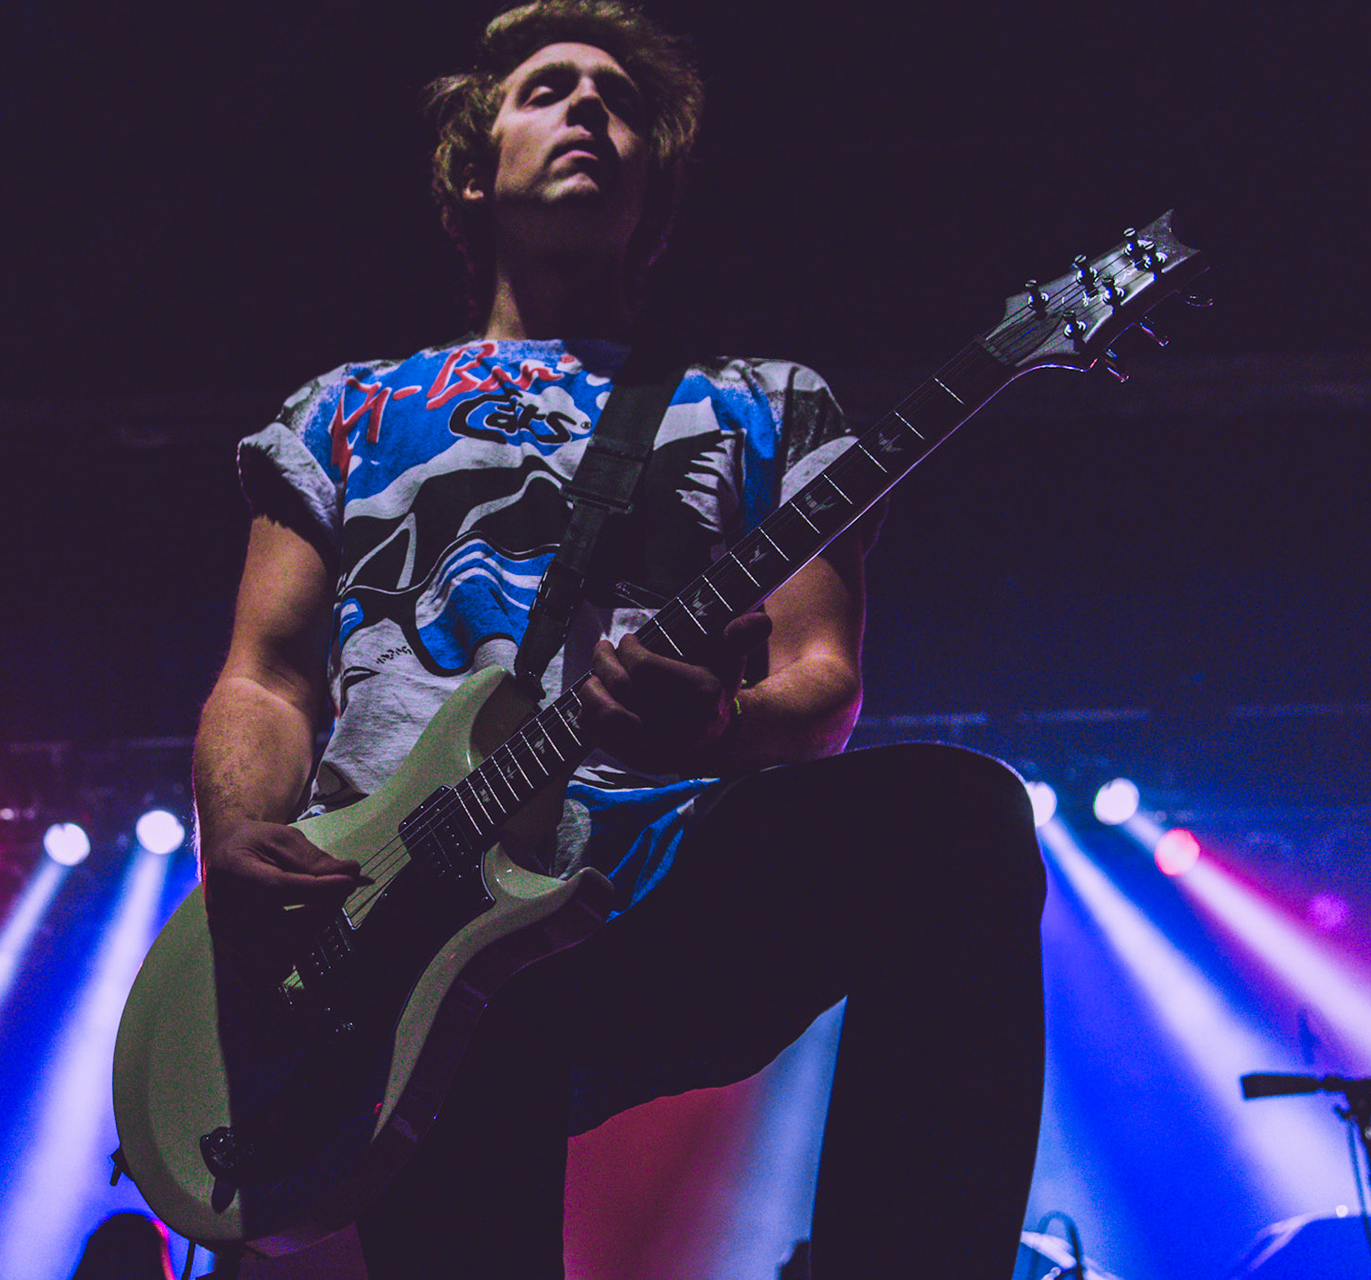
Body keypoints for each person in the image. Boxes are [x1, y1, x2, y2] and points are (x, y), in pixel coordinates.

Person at [192, 3, 1047, 1276]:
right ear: (473, 170)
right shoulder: (345, 408)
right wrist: (236, 831)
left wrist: (718, 721)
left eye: (622, 102)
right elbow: (266, 676)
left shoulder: (762, 401)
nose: (590, 106)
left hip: (657, 880)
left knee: (955, 820)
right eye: (548, 89)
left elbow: (822, 681)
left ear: (656, 183)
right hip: (403, 924)